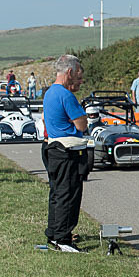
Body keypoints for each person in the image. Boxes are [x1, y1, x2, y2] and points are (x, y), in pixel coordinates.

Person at [43, 55, 88, 253]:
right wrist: (75, 121)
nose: (79, 79)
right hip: (67, 150)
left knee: (57, 192)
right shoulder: (66, 95)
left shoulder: (50, 92)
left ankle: (54, 232)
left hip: (53, 147)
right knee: (68, 194)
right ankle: (63, 238)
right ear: (69, 72)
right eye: (78, 74)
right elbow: (82, 123)